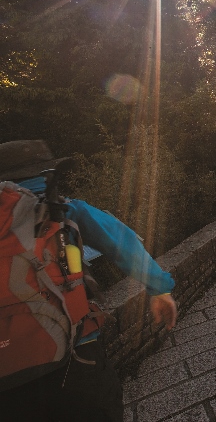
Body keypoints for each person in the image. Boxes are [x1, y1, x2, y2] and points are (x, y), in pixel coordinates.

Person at [0, 140, 178, 421]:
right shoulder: (66, 211)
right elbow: (122, 243)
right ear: (48, 176)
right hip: (75, 357)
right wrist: (161, 289)